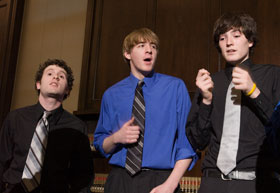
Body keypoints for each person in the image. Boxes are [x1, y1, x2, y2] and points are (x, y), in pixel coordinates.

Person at [94, 28, 197, 193]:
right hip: (119, 181)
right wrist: (116, 138)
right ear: (127, 54)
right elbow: (101, 145)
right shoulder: (111, 94)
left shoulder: (175, 88)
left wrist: (170, 185)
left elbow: (187, 144)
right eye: (141, 45)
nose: (149, 50)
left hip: (162, 181)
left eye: (154, 46)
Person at [186, 12, 280, 193]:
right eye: (223, 38)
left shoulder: (272, 76)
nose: (229, 42)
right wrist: (206, 100)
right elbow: (197, 141)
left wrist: (253, 91)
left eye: (236, 36)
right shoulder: (210, 82)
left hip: (253, 183)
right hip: (212, 183)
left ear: (250, 41)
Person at [0, 59, 94, 193]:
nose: (55, 77)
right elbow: (1, 161)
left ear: (67, 90)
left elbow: (83, 176)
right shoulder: (15, 118)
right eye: (49, 74)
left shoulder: (77, 127)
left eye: (61, 76)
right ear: (38, 84)